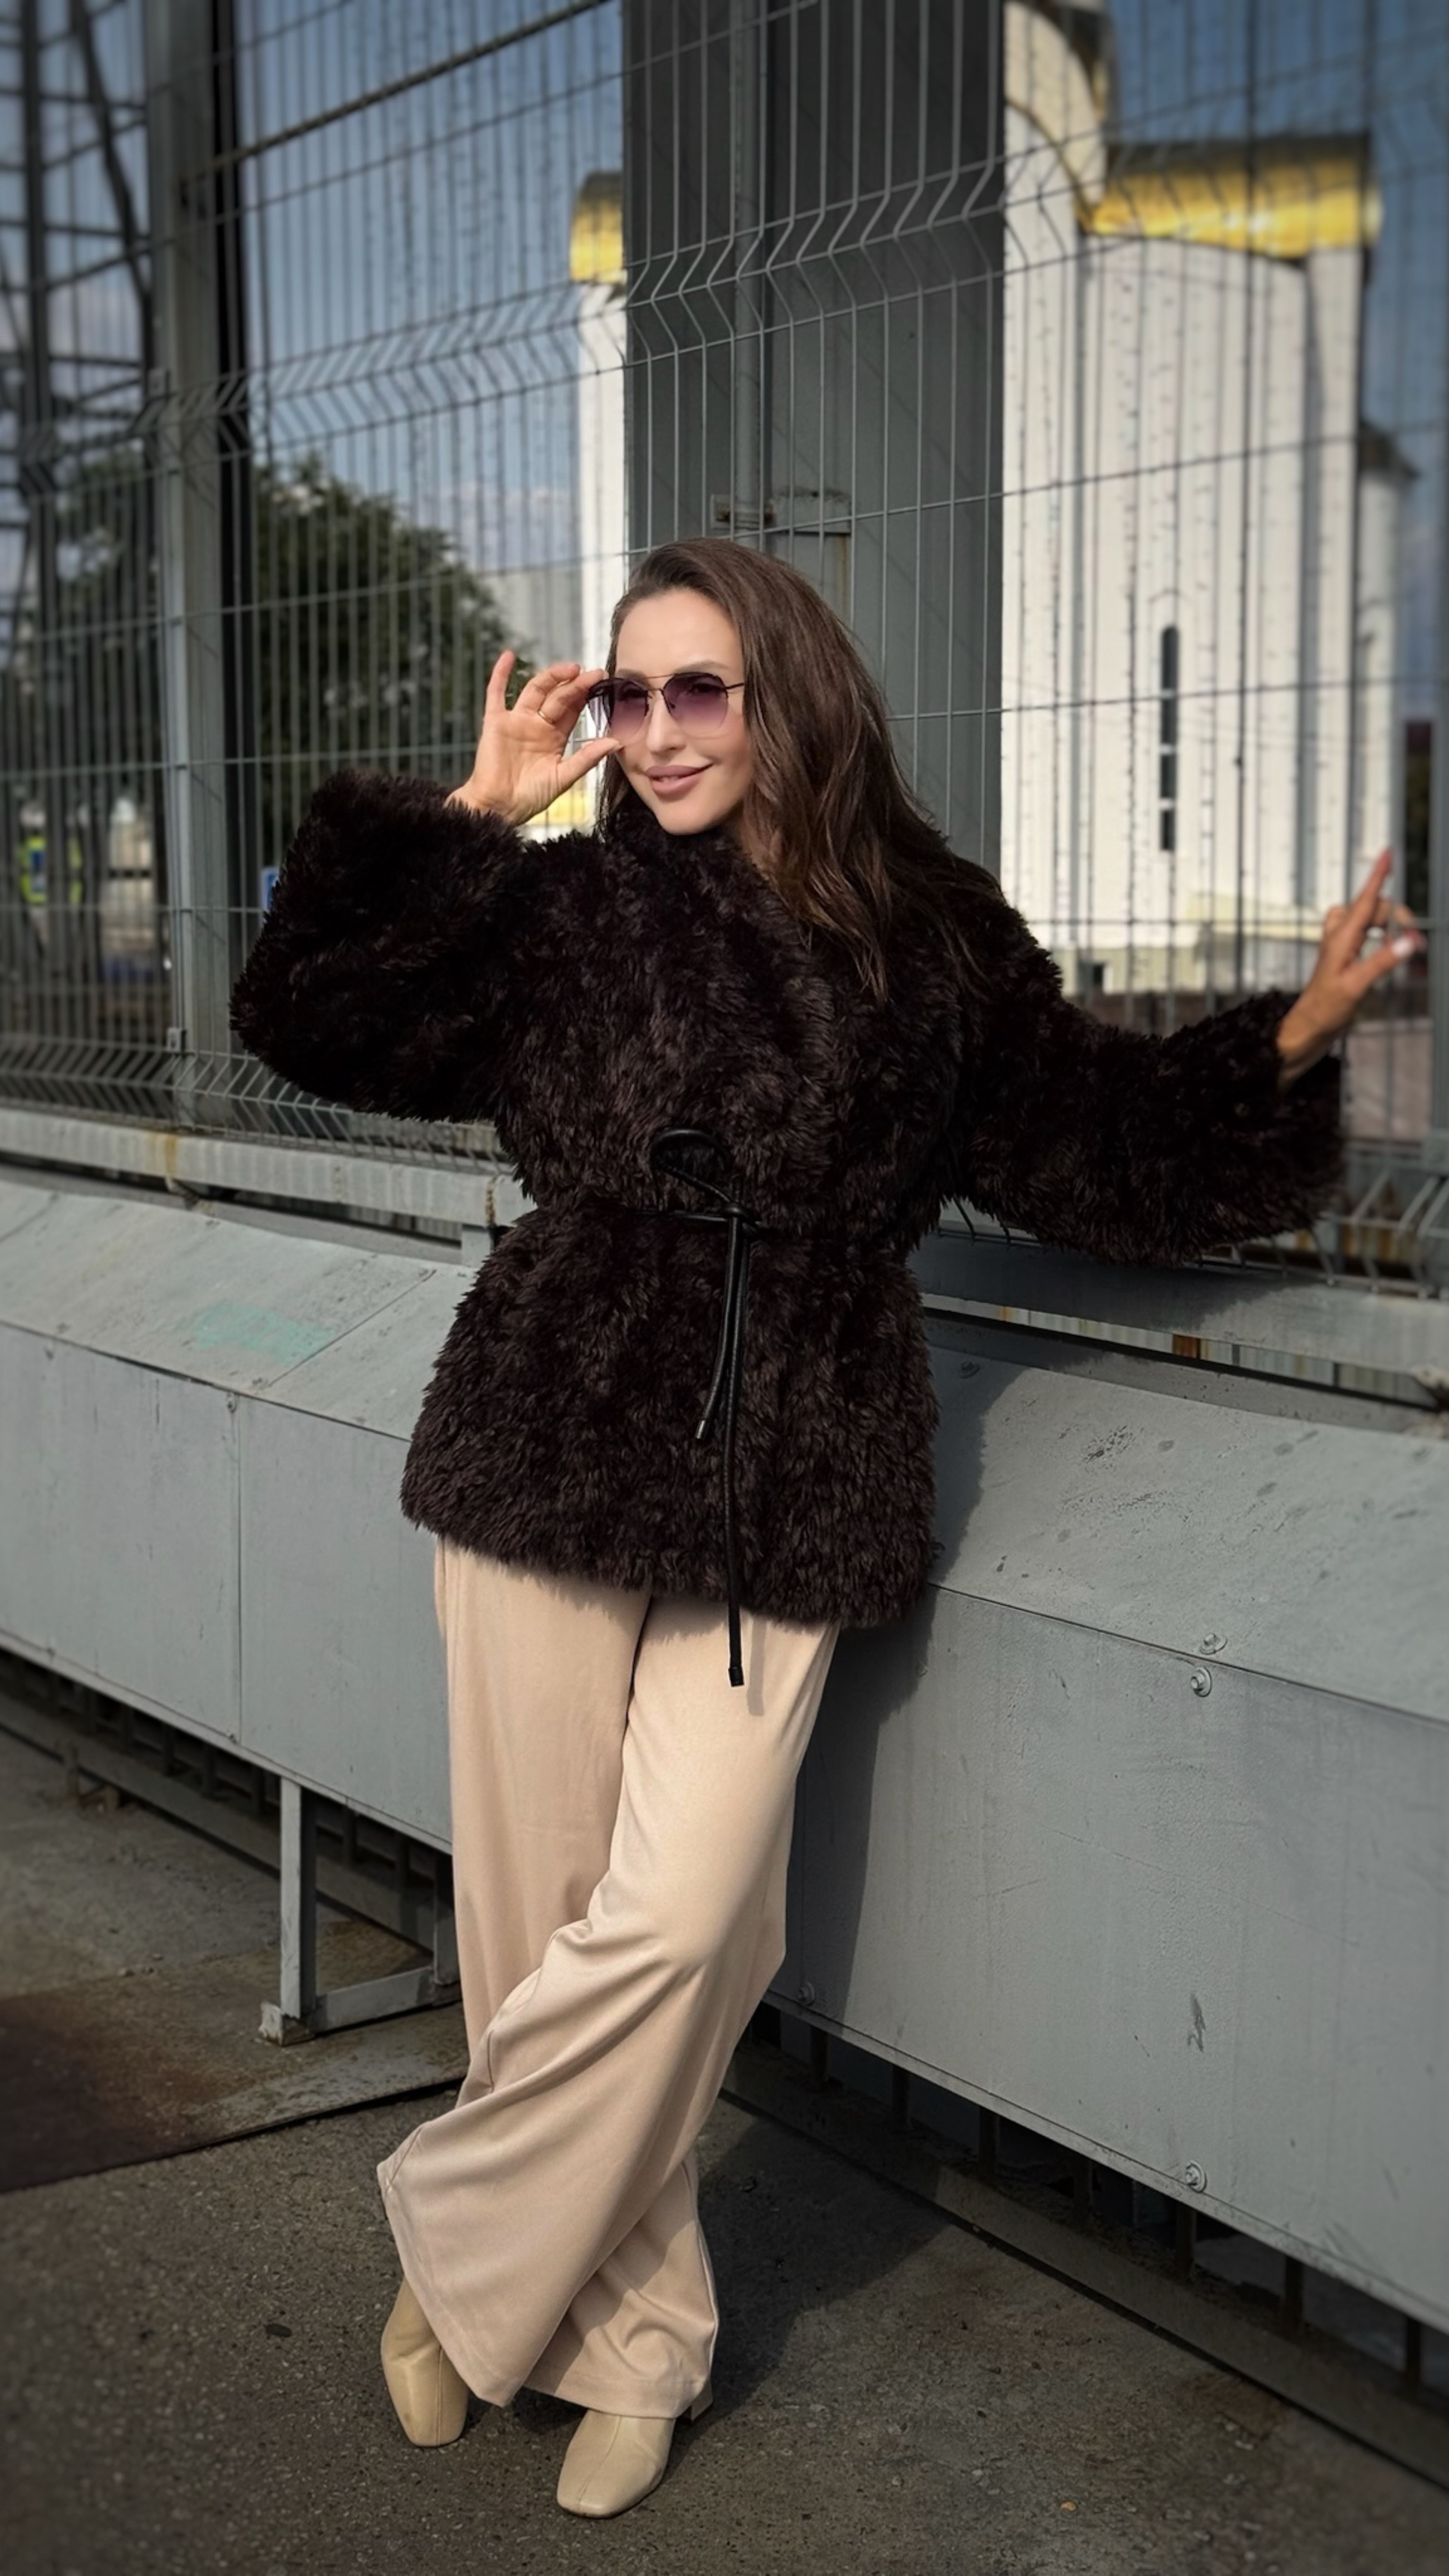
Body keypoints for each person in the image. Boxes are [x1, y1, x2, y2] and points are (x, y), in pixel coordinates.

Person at [228, 536, 1421, 2518]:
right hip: (548, 1430)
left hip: (796, 1460)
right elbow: (308, 1021)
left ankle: (453, 2247)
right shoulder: (557, 906)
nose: (661, 732)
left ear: (791, 693)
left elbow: (1097, 1148)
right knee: (537, 1922)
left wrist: (1288, 1042)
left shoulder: (932, 936)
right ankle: (634, 2342)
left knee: (692, 1921)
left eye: (702, 689)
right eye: (632, 695)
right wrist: (467, 820)